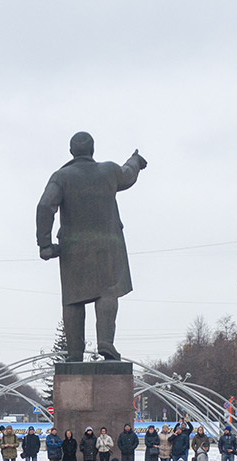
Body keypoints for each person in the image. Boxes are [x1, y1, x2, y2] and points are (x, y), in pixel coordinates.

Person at [36, 131, 147, 361]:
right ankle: (105, 342)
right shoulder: (108, 171)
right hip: (108, 246)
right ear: (93, 150)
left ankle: (75, 354)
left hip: (73, 249)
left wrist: (45, 244)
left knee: (73, 300)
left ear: (71, 152)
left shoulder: (61, 177)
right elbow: (128, 175)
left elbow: (45, 206)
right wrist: (135, 160)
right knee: (107, 292)